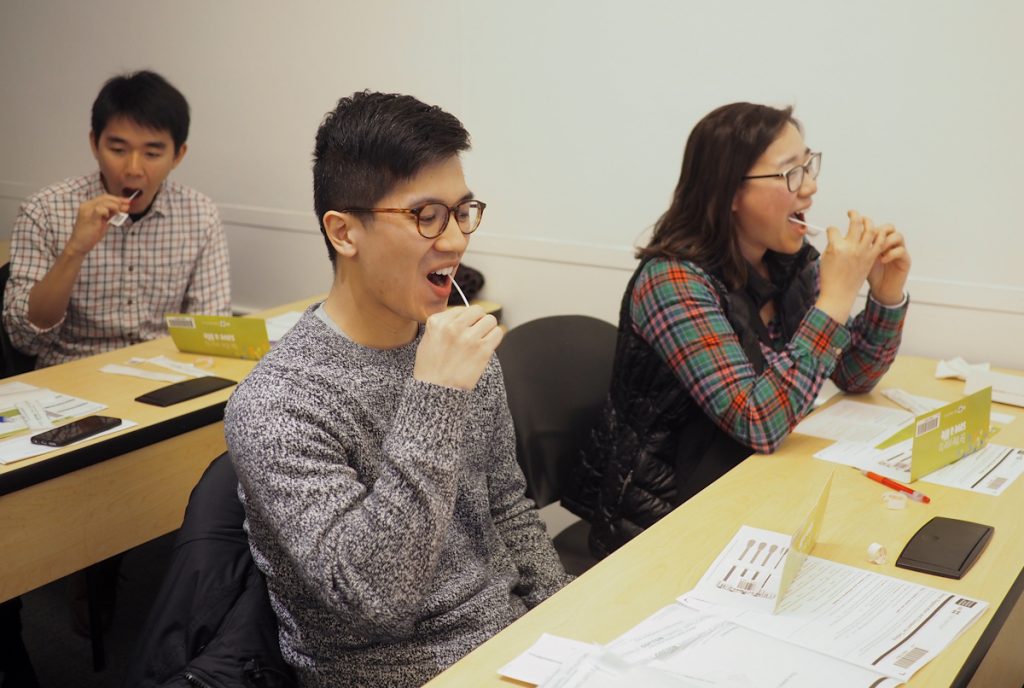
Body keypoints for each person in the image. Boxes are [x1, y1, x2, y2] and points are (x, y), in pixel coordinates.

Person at [224, 91, 570, 688]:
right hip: (393, 672)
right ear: (344, 232)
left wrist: (569, 619)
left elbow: (509, 507)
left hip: (512, 643)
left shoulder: (455, 349)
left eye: (464, 211)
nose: (457, 240)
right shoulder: (276, 404)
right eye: (426, 216)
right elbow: (374, 599)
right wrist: (434, 397)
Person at [563, 102, 911, 558]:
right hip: (662, 522)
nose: (810, 186)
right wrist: (835, 302)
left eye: (809, 165)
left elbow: (855, 376)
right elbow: (758, 421)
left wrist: (886, 297)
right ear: (729, 191)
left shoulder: (787, 263)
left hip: (751, 490)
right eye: (790, 173)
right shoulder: (672, 282)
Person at [3, 70, 231, 369]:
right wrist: (75, 250)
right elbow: (24, 338)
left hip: (165, 374)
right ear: (94, 143)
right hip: (72, 375)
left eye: (152, 152)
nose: (133, 168)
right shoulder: (45, 210)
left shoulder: (200, 214)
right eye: (118, 149)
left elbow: (211, 329)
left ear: (178, 155)